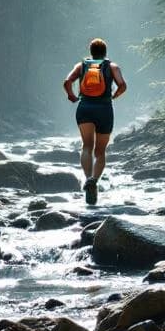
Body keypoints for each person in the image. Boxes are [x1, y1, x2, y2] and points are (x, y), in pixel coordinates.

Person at [63, 38, 127, 205]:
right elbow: (122, 85)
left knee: (86, 146)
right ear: (105, 52)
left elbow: (67, 81)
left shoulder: (81, 65)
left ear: (91, 51)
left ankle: (87, 178)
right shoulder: (112, 66)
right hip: (104, 109)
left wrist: (71, 95)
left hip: (84, 108)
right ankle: (94, 180)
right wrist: (114, 96)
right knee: (100, 152)